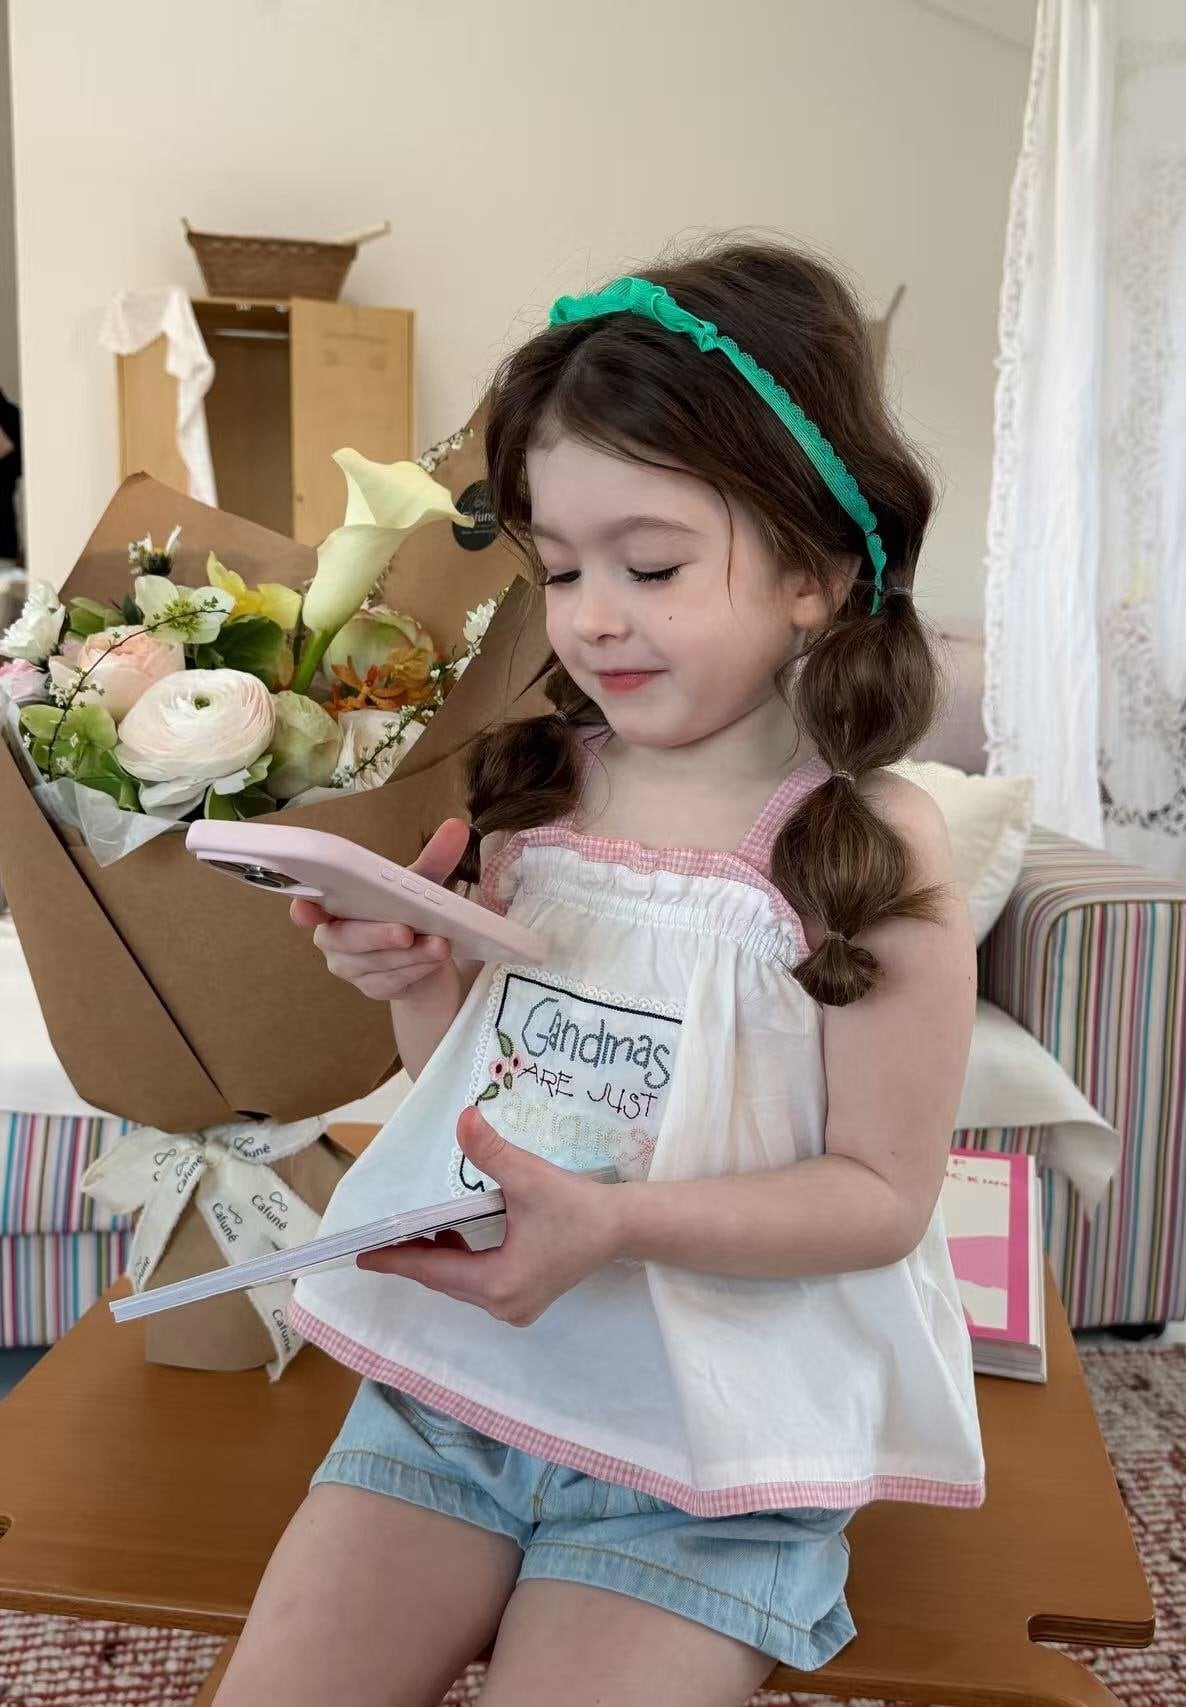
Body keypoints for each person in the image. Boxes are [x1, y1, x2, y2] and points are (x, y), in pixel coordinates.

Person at [214, 237, 982, 1707]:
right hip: (459, 1395)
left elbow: (881, 1199)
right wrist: (415, 979)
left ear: (817, 569)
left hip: (708, 1449)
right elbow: (481, 1096)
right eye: (561, 567)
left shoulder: (869, 843)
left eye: (652, 565)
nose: (591, 616)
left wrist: (619, 1224)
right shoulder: (540, 786)